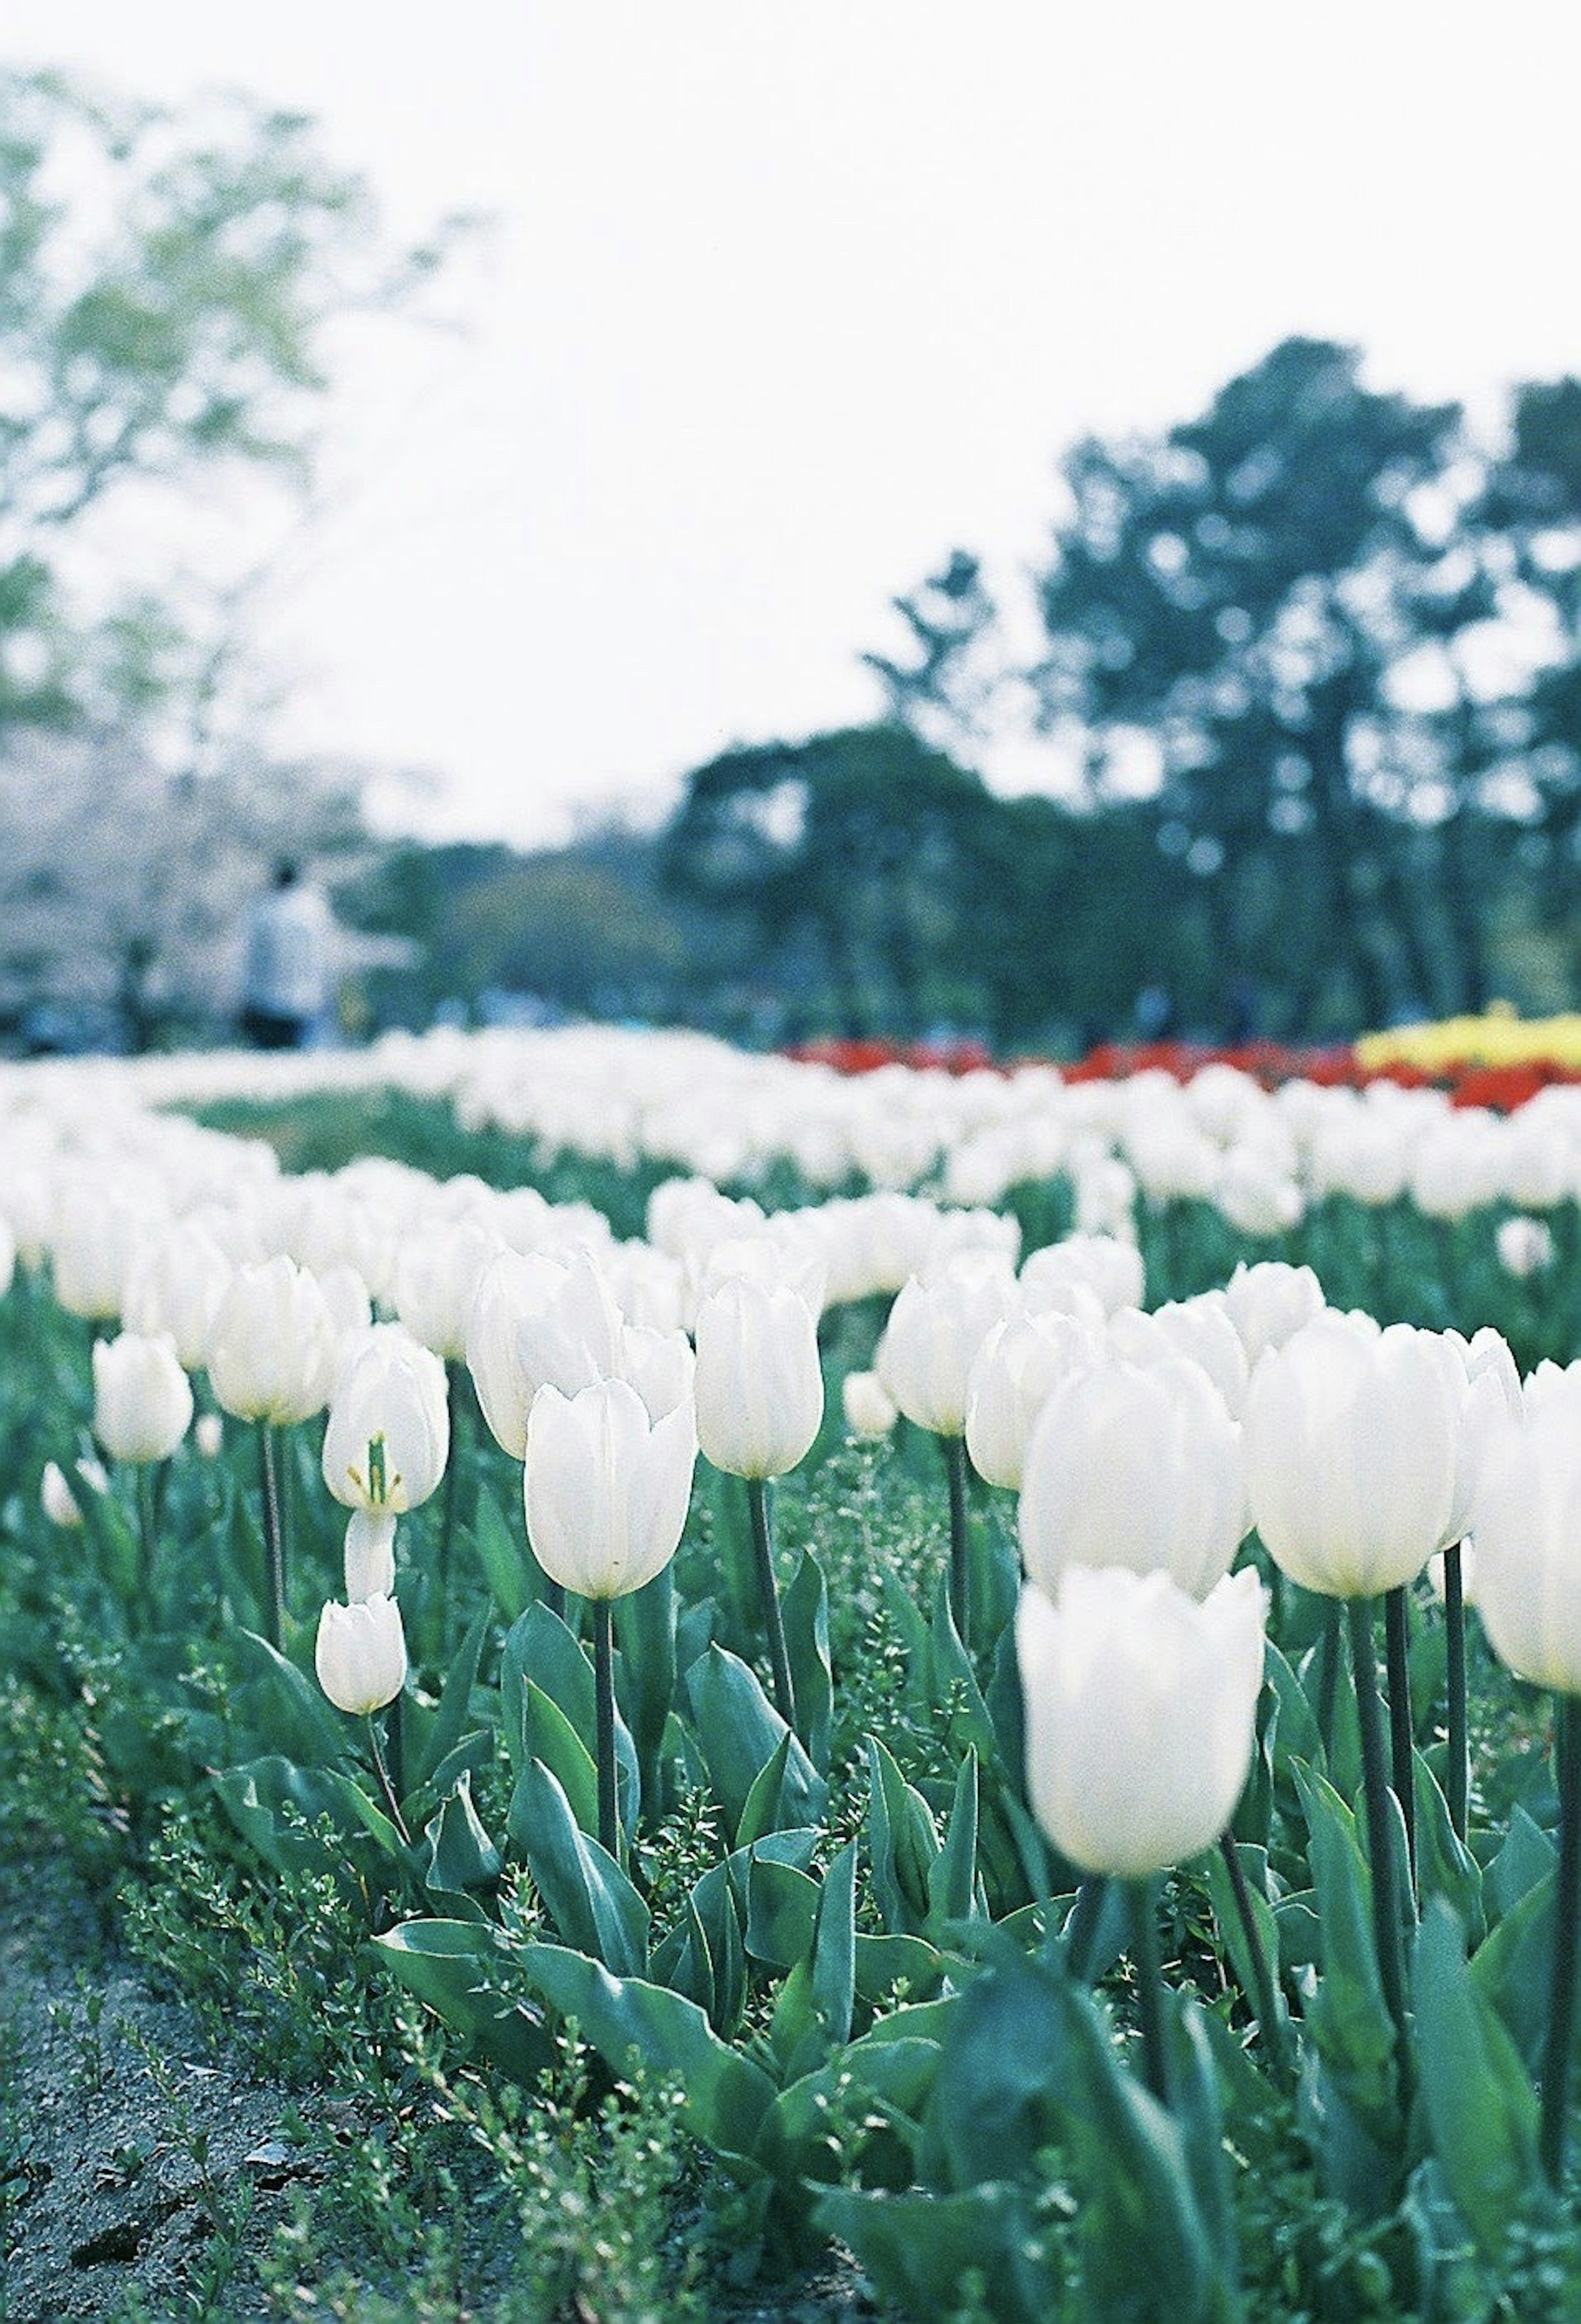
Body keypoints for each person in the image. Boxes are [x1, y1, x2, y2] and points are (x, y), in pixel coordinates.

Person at [239, 859, 335, 1050]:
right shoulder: (314, 909)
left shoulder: (263, 909)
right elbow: (324, 955)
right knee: (302, 1064)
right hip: (307, 997)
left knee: (268, 1063)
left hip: (266, 998)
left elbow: (252, 957)